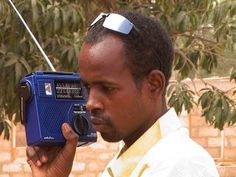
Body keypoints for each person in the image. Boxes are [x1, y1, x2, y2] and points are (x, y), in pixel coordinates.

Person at [26, 11, 219, 177]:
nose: (90, 103)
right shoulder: (135, 160)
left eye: (107, 88)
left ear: (154, 84)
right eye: (87, 88)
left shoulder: (179, 164)